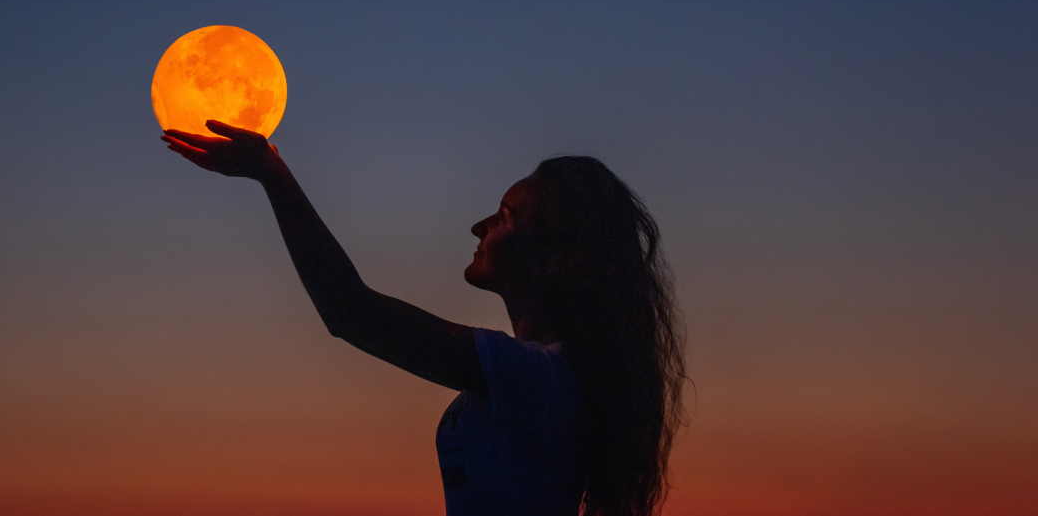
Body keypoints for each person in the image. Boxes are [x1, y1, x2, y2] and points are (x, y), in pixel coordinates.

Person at [162, 120, 688, 516]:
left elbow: (350, 310)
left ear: (552, 258)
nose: (479, 226)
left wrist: (272, 173)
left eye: (504, 217)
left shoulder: (540, 378)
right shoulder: (536, 376)